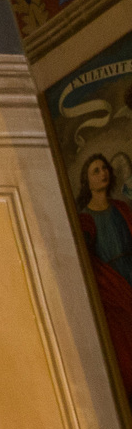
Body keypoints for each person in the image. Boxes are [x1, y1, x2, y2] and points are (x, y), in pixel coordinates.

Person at [74, 154, 132, 396]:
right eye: (96, 171)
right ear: (87, 182)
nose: (103, 173)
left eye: (104, 168)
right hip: (111, 286)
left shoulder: (121, 208)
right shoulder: (84, 219)